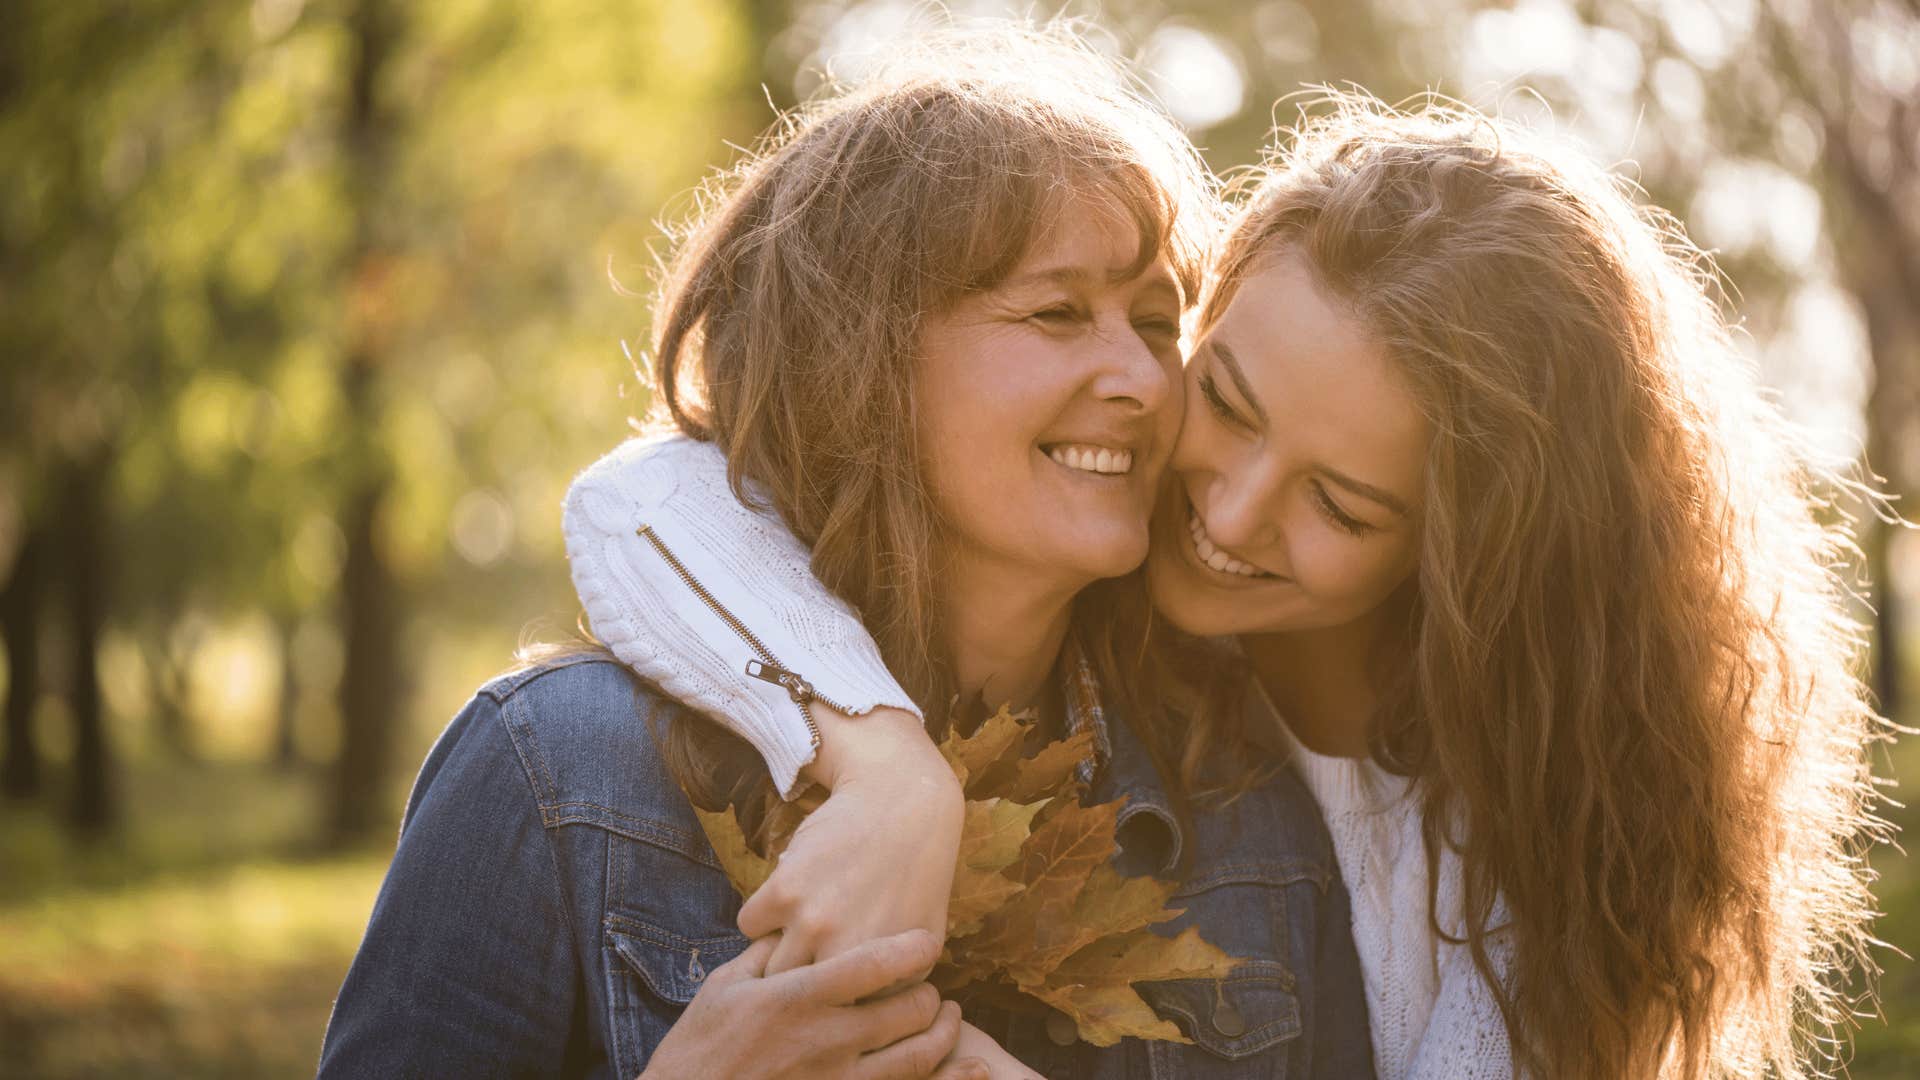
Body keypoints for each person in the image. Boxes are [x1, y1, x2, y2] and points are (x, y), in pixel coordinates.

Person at [575, 92, 1888, 1079]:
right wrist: (885, 763)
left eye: (1340, 503)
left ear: (1468, 560)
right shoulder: (1100, 606)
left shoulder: (1541, 835)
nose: (1226, 510)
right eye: (1228, 402)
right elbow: (648, 498)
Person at [319, 29, 1374, 1080]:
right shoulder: (556, 775)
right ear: (855, 362)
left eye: (1155, 321)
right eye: (1057, 312)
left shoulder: (1245, 818)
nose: (1144, 382)